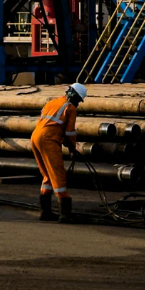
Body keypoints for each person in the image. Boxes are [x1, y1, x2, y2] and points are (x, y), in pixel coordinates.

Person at [30, 82, 87, 221]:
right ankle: (65, 213)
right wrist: (73, 148)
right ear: (74, 96)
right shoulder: (70, 108)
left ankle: (45, 211)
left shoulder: (52, 102)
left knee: (47, 175)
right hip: (48, 140)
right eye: (78, 100)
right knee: (58, 173)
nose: (78, 103)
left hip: (35, 137)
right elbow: (69, 132)